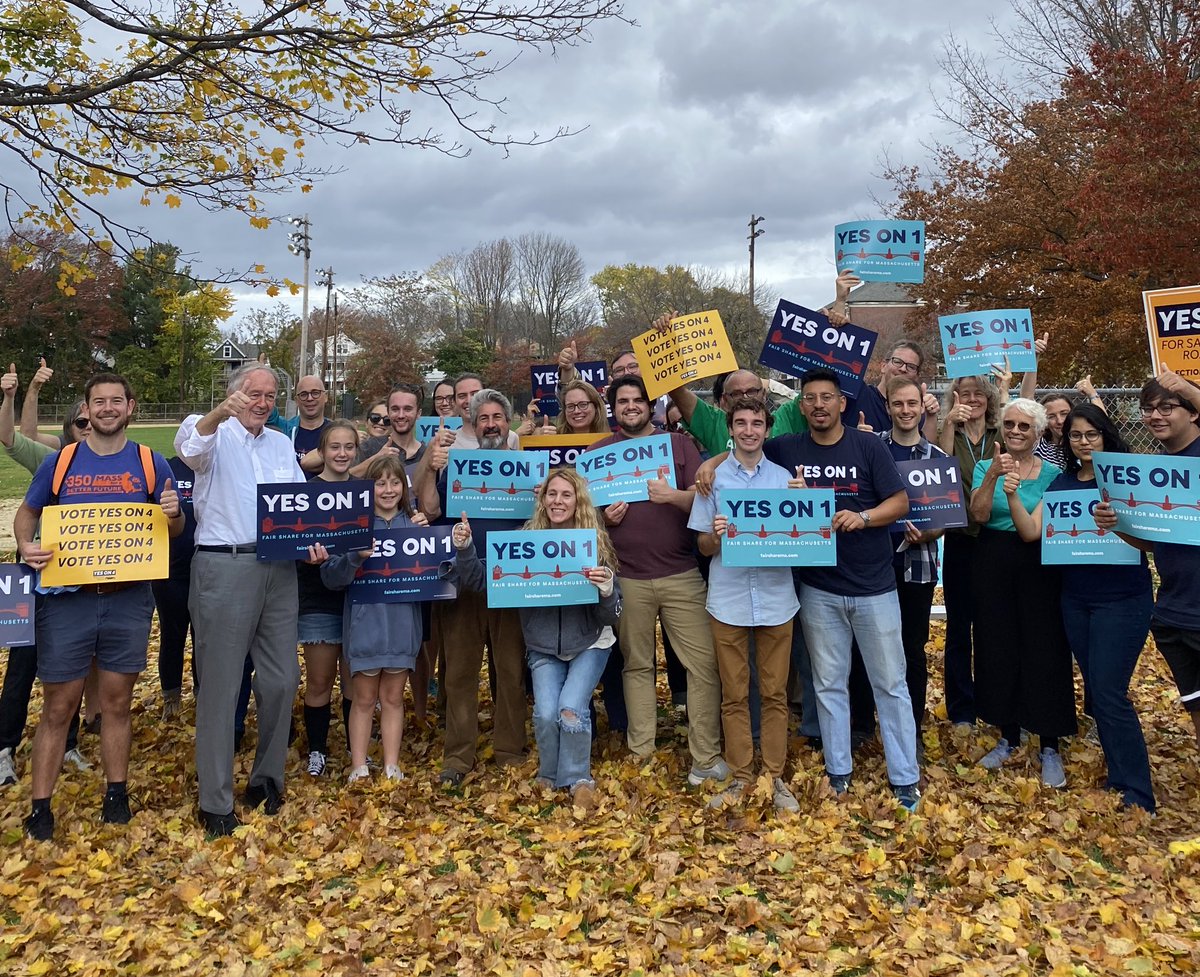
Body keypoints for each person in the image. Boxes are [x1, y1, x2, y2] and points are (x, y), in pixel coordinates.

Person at [16, 372, 182, 840]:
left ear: (130, 407)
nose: (107, 409)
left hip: (127, 600)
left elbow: (174, 531)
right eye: (98, 402)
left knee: (116, 702)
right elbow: (27, 512)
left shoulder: (151, 463)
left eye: (116, 401)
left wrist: (172, 514)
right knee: (58, 706)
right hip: (68, 600)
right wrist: (27, 546)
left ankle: (116, 794)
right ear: (86, 410)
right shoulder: (62, 461)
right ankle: (41, 808)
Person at [748, 368, 920, 811]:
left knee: (891, 683)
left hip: (875, 587)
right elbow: (742, 453)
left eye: (828, 397)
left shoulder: (868, 445)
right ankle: (838, 771)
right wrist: (711, 466)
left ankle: (905, 778)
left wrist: (863, 517)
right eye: (811, 398)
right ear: (800, 406)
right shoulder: (787, 448)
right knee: (827, 683)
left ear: (843, 403)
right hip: (819, 589)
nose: (819, 405)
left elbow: (900, 502)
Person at [175, 363, 306, 837]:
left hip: (278, 567)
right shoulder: (207, 430)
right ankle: (214, 800)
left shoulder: (278, 443)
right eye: (253, 393)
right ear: (233, 394)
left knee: (281, 679)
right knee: (221, 685)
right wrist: (216, 415)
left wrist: (311, 540)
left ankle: (265, 779)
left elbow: (299, 504)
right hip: (224, 566)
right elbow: (191, 450)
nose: (262, 402)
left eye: (270, 396)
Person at [454, 470, 621, 810]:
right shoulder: (524, 541)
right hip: (543, 645)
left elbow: (612, 615)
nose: (558, 501)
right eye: (552, 494)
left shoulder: (593, 542)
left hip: (590, 641)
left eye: (566, 495)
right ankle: (549, 773)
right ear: (543, 499)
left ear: (579, 502)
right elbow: (481, 581)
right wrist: (466, 548)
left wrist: (606, 591)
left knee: (571, 709)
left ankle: (577, 779)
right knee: (545, 714)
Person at [593, 375, 728, 787]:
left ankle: (704, 757)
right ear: (613, 407)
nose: (630, 406)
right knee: (636, 665)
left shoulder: (678, 444)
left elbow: (707, 497)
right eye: (623, 401)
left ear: (650, 405)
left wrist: (674, 497)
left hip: (681, 573)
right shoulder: (597, 453)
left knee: (703, 665)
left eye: (637, 400)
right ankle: (641, 753)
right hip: (627, 577)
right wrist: (604, 518)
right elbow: (580, 518)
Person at [1036, 405, 1154, 811]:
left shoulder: (1125, 479)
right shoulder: (1062, 483)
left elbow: (1151, 542)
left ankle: (1138, 792)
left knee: (1108, 692)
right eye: (1075, 435)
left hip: (1123, 600)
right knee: (1098, 691)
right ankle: (1119, 778)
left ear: (1105, 435)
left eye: (1091, 434)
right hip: (1076, 598)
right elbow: (1042, 533)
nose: (1083, 442)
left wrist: (1119, 522)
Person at [688, 399, 800, 813]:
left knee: (774, 694)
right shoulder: (712, 480)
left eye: (756, 423)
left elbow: (802, 543)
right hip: (728, 599)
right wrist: (716, 537)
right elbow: (701, 544)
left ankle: (773, 776)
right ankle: (740, 778)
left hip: (776, 600)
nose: (749, 430)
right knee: (734, 695)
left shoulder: (786, 480)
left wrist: (804, 514)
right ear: (731, 429)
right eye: (741, 423)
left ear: (766, 430)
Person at [422, 389, 529, 784]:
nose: (490, 424)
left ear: (508, 423)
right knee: (460, 674)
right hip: (463, 580)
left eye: (498, 417)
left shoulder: (527, 470)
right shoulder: (456, 468)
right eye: (483, 418)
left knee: (510, 672)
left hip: (512, 581)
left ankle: (509, 750)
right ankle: (458, 757)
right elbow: (431, 508)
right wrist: (432, 468)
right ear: (473, 422)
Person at [969, 398, 1075, 787]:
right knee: (998, 645)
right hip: (992, 560)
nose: (1015, 431)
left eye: (1024, 427)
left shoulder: (1053, 474)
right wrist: (993, 476)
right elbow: (978, 515)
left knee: (1044, 647)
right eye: (1009, 424)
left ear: (1039, 432)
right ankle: (1008, 735)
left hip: (1038, 564)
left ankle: (1049, 743)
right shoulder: (985, 465)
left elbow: (1037, 527)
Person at [1096, 371, 1200, 748]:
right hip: (1174, 612)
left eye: (1167, 407)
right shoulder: (1155, 466)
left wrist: (1188, 388)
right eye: (1148, 409)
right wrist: (1117, 526)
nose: (1156, 416)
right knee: (1196, 708)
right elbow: (1154, 544)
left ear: (1192, 413)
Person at [0, 365, 89, 787]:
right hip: (36, 578)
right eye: (81, 422)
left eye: (94, 421)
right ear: (71, 427)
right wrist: (25, 392)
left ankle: (68, 742)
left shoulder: (118, 463)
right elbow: (14, 438)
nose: (89, 428)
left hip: (85, 581)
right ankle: (5, 748)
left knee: (75, 667)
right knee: (22, 665)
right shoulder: (53, 461)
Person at [320, 454, 428, 782]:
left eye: (395, 482)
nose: (388, 489)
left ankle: (392, 764)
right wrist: (354, 556)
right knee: (364, 698)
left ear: (404, 487)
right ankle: (359, 766)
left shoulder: (416, 525)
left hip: (402, 625)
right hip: (365, 625)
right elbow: (330, 577)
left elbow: (436, 576)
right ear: (369, 488)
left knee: (393, 698)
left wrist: (443, 543)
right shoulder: (353, 527)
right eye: (380, 483)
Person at [878, 377, 948, 742]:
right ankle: (865, 725)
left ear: (923, 407)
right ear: (888, 406)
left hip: (916, 566)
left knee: (911, 649)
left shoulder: (937, 460)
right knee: (870, 648)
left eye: (912, 404)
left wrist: (931, 532)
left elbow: (946, 517)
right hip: (872, 565)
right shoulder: (871, 448)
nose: (905, 411)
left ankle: (911, 730)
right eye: (898, 404)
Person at [937, 373, 1006, 727]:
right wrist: (949, 422)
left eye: (979, 393)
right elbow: (939, 464)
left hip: (994, 536)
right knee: (959, 627)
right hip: (961, 537)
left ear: (989, 398)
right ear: (955, 396)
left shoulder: (1001, 432)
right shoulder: (950, 430)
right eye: (965, 393)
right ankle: (961, 709)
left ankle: (994, 704)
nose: (973, 399)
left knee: (994, 625)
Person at [296, 420, 359, 777]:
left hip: (360, 599)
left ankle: (355, 746)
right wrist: (304, 554)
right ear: (322, 451)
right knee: (319, 680)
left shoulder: (365, 491)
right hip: (317, 598)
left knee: (354, 680)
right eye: (334, 447)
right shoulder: (305, 492)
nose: (341, 454)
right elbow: (287, 545)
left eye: (348, 447)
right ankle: (317, 749)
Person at [154, 449, 197, 721]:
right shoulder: (166, 468)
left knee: (204, 639)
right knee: (172, 636)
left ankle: (204, 693)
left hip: (205, 566)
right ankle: (171, 696)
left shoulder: (212, 467)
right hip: (168, 568)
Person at [450, 374, 520, 449]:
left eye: (475, 394)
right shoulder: (449, 442)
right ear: (454, 401)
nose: (469, 400)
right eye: (462, 396)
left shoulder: (512, 438)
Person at [282, 375, 330, 473]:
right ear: (296, 400)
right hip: (291, 488)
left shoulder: (336, 432)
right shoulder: (285, 430)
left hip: (327, 488)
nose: (309, 398)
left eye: (315, 393)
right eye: (303, 394)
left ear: (325, 397)